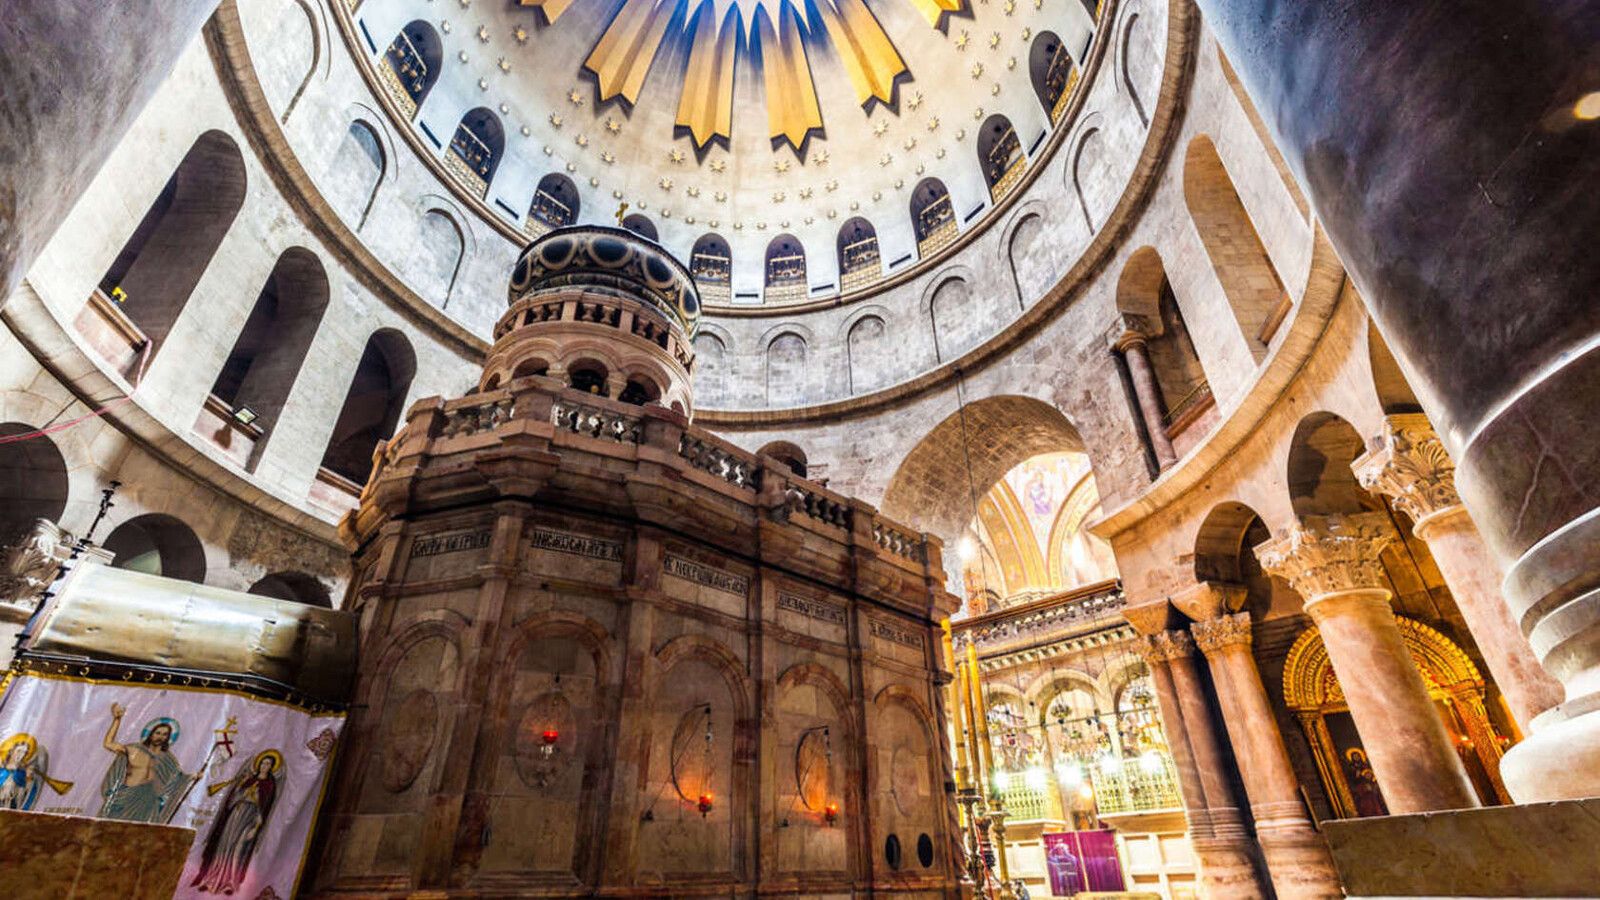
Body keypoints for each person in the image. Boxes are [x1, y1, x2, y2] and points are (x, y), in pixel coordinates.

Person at [191, 749, 283, 895]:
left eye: (268, 764)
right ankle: (211, 879)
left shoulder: (269, 785)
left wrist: (256, 825)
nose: (264, 766)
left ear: (271, 767)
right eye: (263, 763)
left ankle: (230, 882)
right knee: (224, 844)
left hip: (250, 819)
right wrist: (241, 790)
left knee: (238, 849)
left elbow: (264, 809)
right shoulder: (248, 779)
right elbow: (233, 799)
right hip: (235, 815)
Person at [100, 704, 193, 822]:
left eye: (165, 734)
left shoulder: (168, 759)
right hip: (124, 800)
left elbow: (178, 778)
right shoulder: (134, 749)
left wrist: (192, 777)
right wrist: (117, 720)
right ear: (151, 734)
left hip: (147, 805)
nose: (161, 737)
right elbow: (108, 744)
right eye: (158, 733)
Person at [0, 732, 72, 810]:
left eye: (24, 753)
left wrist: (28, 777)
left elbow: (23, 785)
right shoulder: (3, 769)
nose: (21, 755)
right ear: (12, 751)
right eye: (19, 751)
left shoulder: (21, 772)